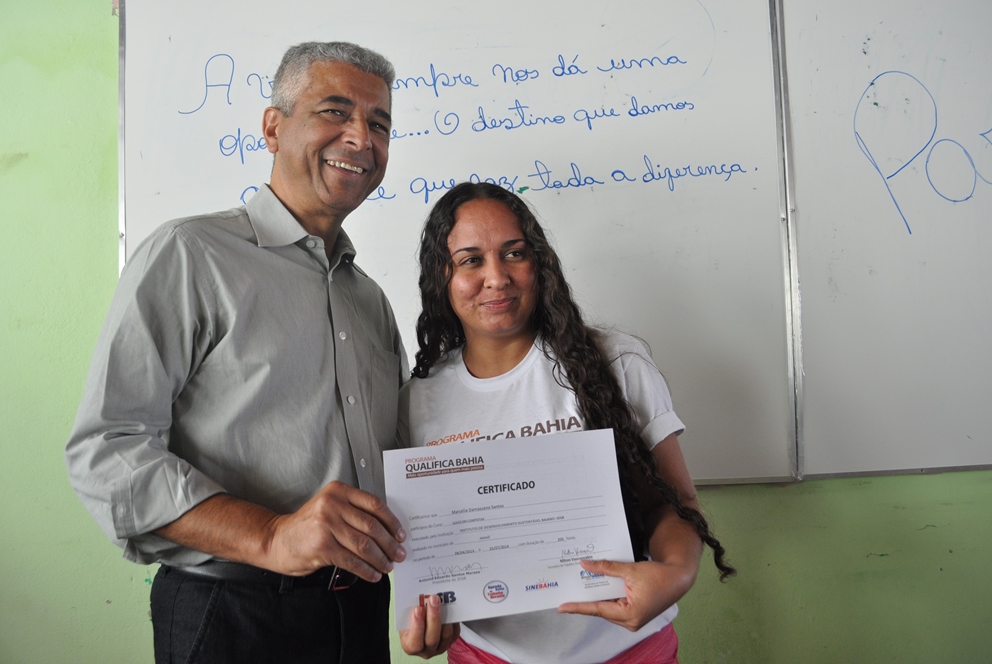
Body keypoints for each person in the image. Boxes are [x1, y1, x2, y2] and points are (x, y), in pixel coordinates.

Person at [65, 42, 409, 663]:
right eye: (335, 112)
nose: (362, 137)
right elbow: (107, 451)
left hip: (360, 612)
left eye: (379, 123)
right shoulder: (190, 255)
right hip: (232, 615)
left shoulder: (371, 300)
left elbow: (404, 461)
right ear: (273, 128)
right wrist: (272, 535)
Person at [397, 182, 735, 664]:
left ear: (539, 263)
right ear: (441, 277)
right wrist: (423, 622)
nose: (497, 277)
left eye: (514, 253)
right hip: (486, 656)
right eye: (470, 260)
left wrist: (676, 573)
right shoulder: (416, 402)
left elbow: (672, 503)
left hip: (629, 651)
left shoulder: (613, 363)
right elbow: (426, 550)